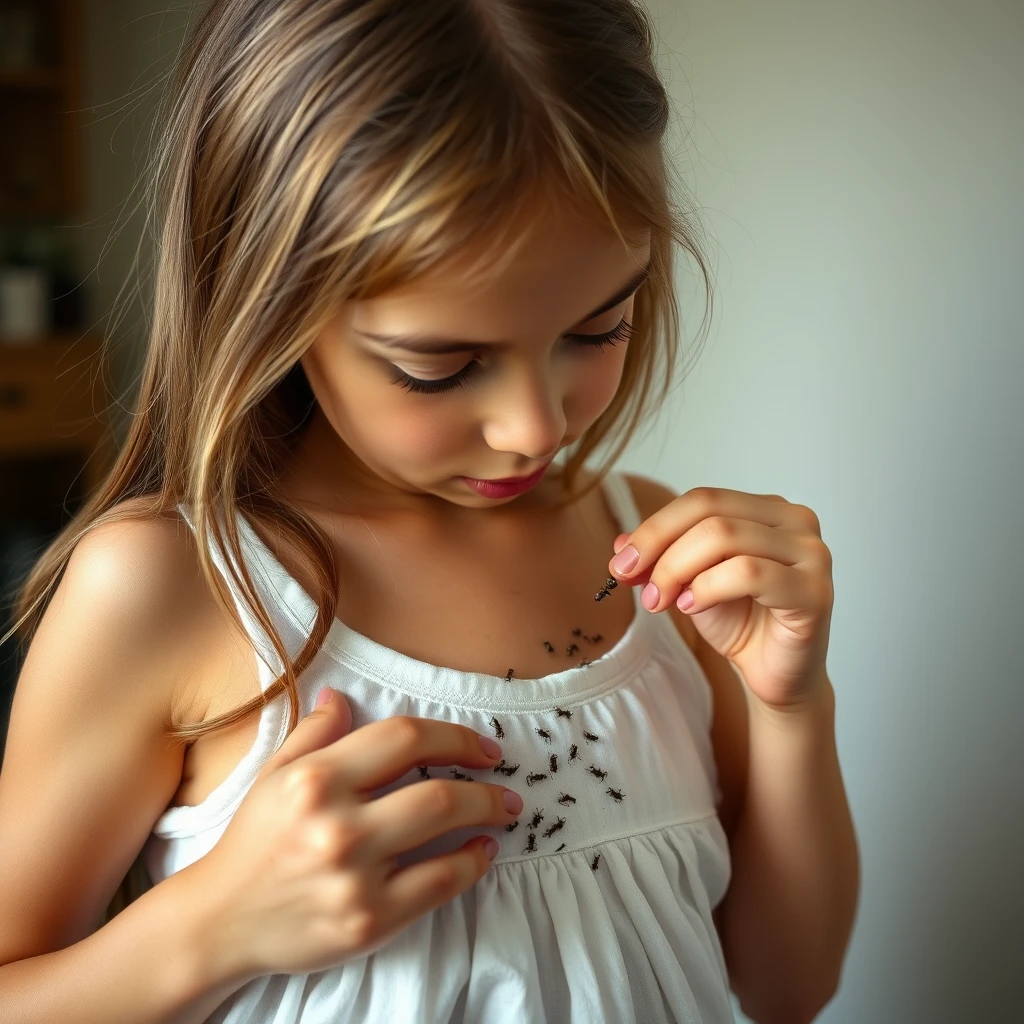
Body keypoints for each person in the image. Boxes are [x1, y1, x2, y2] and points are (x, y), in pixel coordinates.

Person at [0, 1, 860, 1021]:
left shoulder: (657, 557)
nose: (532, 430)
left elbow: (785, 989)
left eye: (599, 328)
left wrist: (790, 705)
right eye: (439, 367)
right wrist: (210, 923)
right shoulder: (170, 586)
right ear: (272, 299)